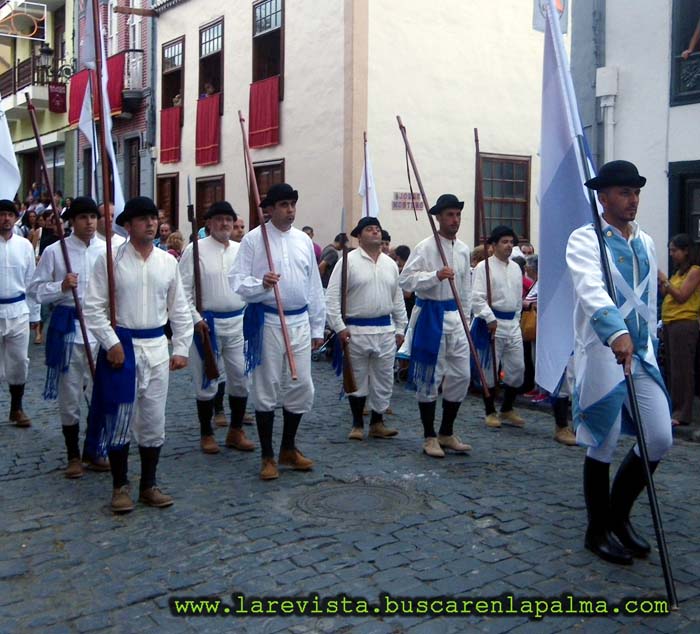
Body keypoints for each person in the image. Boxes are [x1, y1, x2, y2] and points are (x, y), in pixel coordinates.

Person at [567, 160, 672, 565]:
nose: (633, 200)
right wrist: (616, 332)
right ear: (603, 197)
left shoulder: (645, 241)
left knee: (659, 436)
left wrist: (648, 341)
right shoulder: (584, 239)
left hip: (641, 353)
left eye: (636, 192)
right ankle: (598, 530)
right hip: (603, 351)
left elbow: (648, 300)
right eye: (625, 192)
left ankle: (619, 515)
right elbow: (590, 289)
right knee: (603, 440)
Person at [84, 196, 193, 513]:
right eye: (143, 218)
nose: (150, 223)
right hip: (123, 348)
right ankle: (120, 486)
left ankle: (149, 484)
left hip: (156, 346)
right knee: (120, 416)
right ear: (128, 225)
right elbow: (93, 308)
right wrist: (111, 343)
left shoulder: (167, 262)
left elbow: (179, 308)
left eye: (154, 218)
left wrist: (181, 347)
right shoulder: (110, 260)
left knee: (153, 418)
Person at [229, 183, 325, 480]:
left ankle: (288, 448)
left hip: (299, 321)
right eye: (284, 204)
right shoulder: (253, 240)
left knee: (302, 385)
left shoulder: (303, 240)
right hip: (269, 320)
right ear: (269, 209)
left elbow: (313, 286)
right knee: (267, 386)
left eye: (292, 204)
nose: (290, 210)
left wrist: (317, 327)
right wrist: (261, 284)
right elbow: (237, 280)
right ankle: (267, 455)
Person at [28, 197, 108, 477]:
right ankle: (73, 454)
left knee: (100, 392)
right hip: (69, 332)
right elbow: (36, 291)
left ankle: (94, 448)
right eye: (83, 217)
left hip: (100, 331)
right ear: (72, 221)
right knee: (70, 393)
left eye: (93, 217)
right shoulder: (55, 251)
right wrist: (60, 286)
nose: (89, 222)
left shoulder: (108, 249)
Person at [399, 194, 473, 458]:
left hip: (457, 317)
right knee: (430, 377)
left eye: (458, 214)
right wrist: (435, 276)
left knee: (461, 376)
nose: (455, 220)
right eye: (450, 215)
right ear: (439, 218)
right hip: (431, 315)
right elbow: (406, 280)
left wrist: (467, 320)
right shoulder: (425, 247)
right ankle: (429, 435)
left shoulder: (463, 249)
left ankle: (447, 432)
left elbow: (466, 288)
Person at [179, 201, 254, 455]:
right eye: (219, 219)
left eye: (228, 219)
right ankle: (206, 433)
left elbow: (248, 284)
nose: (224, 224)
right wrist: (195, 319)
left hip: (237, 324)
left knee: (241, 378)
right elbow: (182, 291)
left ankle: (236, 431)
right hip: (206, 326)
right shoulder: (195, 250)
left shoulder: (241, 250)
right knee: (207, 379)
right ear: (209, 223)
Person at [326, 216, 407, 440]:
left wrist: (401, 327)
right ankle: (357, 423)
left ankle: (377, 422)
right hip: (356, 330)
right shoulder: (347, 262)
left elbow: (397, 298)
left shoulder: (390, 264)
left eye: (377, 229)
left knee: (384, 378)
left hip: (385, 330)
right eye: (369, 229)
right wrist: (339, 327)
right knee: (357, 377)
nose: (375, 232)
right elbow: (332, 298)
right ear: (359, 236)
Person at [472, 225, 527, 429]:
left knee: (517, 368)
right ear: (493, 245)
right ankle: (490, 411)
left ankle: (507, 408)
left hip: (512, 323)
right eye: (504, 242)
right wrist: (489, 318)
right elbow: (477, 297)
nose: (509, 246)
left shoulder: (516, 268)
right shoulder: (483, 268)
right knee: (490, 370)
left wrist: (517, 318)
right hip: (492, 323)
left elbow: (518, 298)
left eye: (511, 242)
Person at [0, 199, 40, 427]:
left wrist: (34, 315)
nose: (5, 218)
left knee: (19, 361)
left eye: (9, 214)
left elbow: (31, 282)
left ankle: (16, 408)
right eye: (1, 214)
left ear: (15, 218)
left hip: (18, 311)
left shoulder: (24, 246)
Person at [658, 233, 700, 427]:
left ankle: (682, 413)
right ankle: (674, 408)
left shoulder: (695, 271)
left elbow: (682, 296)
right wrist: (662, 283)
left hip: (684, 323)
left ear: (686, 251)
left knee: (683, 369)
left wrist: (665, 281)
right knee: (673, 369)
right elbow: (667, 293)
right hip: (671, 323)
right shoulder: (678, 273)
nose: (671, 254)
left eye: (674, 250)